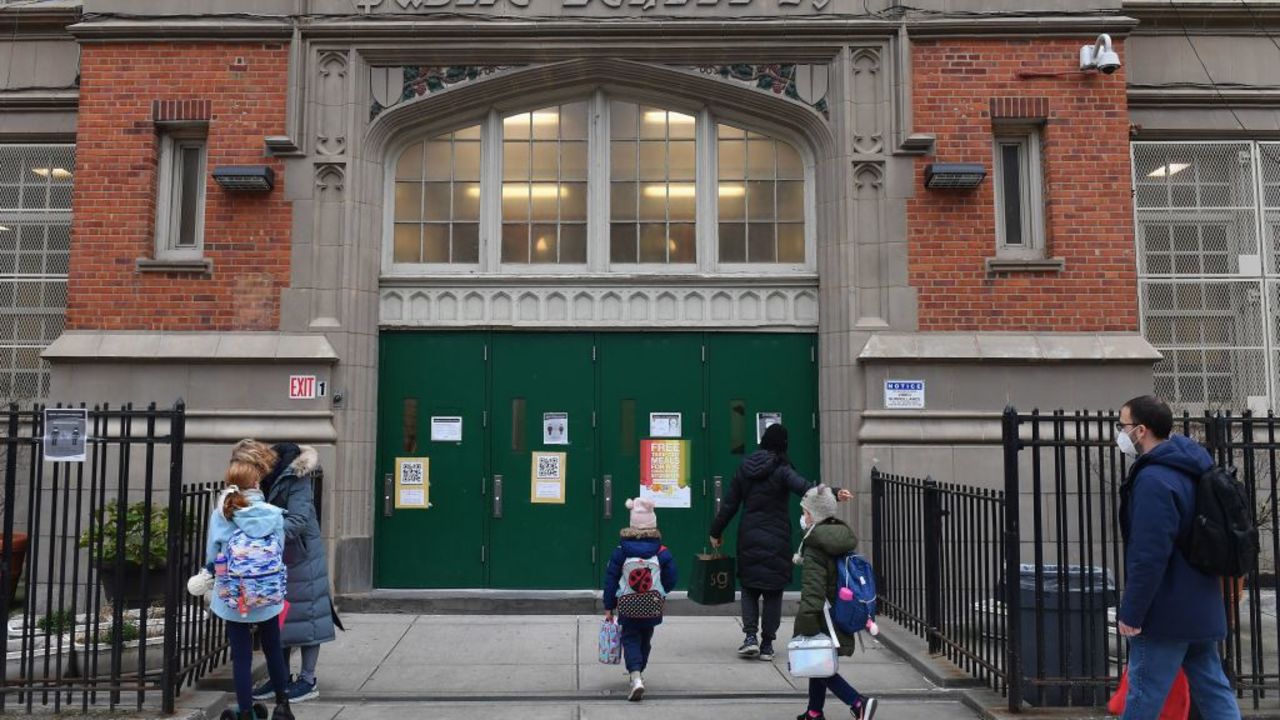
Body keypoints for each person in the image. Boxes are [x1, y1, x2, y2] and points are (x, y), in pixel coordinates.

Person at [1116, 395, 1240, 720]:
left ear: (1140, 430)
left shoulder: (1153, 480)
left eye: (1122, 425)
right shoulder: (1192, 467)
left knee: (1143, 696)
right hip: (1200, 604)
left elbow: (1149, 554)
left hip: (1165, 612)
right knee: (1214, 692)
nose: (1119, 433)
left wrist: (1132, 612)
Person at [708, 423, 850, 660]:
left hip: (749, 535)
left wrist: (716, 530)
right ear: (783, 445)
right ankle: (767, 645)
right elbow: (807, 490)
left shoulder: (745, 468)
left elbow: (730, 505)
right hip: (777, 537)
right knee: (773, 592)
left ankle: (750, 636)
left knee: (750, 588)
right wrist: (834, 492)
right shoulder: (783, 470)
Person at [235, 440, 337, 705]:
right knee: (280, 619)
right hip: (277, 558)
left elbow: (298, 521)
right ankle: (279, 677)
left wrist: (264, 534)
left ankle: (308, 679)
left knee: (308, 617)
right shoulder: (265, 480)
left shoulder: (297, 479)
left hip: (302, 557)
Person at [206, 454, 294, 720]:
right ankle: (282, 705)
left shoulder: (223, 513)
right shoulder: (273, 514)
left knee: (242, 656)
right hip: (267, 592)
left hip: (234, 595)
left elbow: (213, 554)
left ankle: (245, 712)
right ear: (256, 482)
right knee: (273, 648)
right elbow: (278, 550)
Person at [793, 485, 877, 720]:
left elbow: (813, 589)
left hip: (823, 615)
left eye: (806, 512)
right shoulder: (837, 536)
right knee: (818, 662)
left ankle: (858, 702)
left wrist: (806, 621)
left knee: (821, 666)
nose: (803, 517)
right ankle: (814, 711)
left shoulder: (815, 546)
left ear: (816, 515)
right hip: (839, 610)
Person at [603, 497, 678, 702]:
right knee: (646, 637)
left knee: (630, 638)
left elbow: (610, 579)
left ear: (632, 524)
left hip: (627, 605)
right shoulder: (662, 552)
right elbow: (672, 578)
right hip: (652, 605)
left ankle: (635, 676)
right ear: (653, 524)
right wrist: (661, 591)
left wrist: (609, 606)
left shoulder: (621, 551)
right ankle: (639, 671)